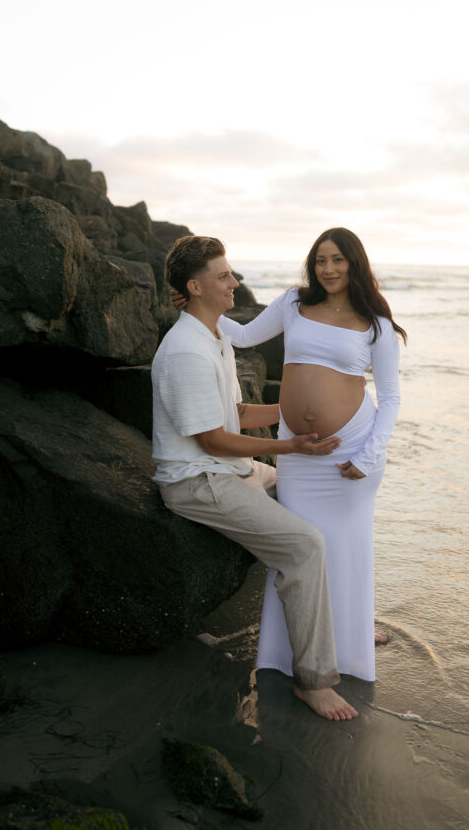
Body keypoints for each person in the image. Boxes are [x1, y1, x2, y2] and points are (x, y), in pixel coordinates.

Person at [151, 234, 360, 720]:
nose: (235, 283)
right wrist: (288, 445)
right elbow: (214, 440)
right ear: (195, 286)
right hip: (198, 481)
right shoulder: (184, 350)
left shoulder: (215, 336)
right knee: (304, 543)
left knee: (313, 491)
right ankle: (314, 680)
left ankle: (342, 618)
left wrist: (303, 417)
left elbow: (237, 412)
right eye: (224, 276)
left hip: (230, 468)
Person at [218, 228, 406, 682]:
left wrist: (369, 456)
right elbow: (242, 337)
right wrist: (201, 309)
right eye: (320, 260)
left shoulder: (376, 323)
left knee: (345, 547)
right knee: (299, 545)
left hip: (352, 450)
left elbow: (392, 398)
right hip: (299, 453)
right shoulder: (293, 304)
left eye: (338, 259)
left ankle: (352, 635)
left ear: (354, 263)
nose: (328, 269)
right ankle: (288, 651)